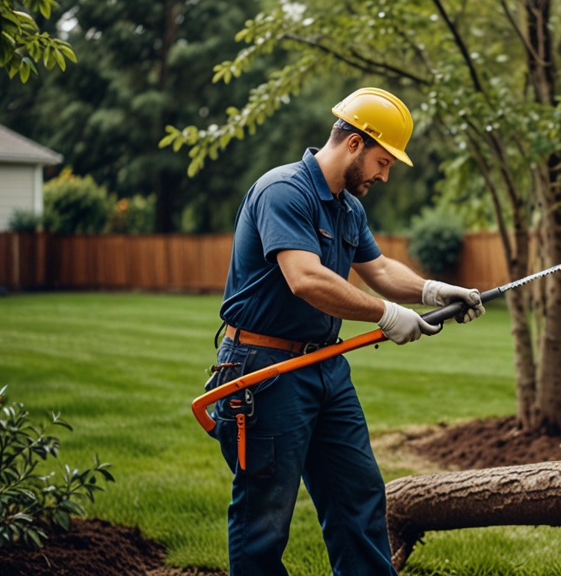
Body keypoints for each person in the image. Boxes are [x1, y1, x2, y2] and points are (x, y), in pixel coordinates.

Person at [206, 87, 485, 576]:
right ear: (355, 143)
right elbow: (306, 279)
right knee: (263, 515)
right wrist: (386, 314)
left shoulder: (347, 208)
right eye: (383, 161)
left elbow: (379, 269)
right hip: (265, 370)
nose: (385, 175)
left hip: (325, 368)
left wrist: (434, 290)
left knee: (359, 496)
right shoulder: (283, 191)